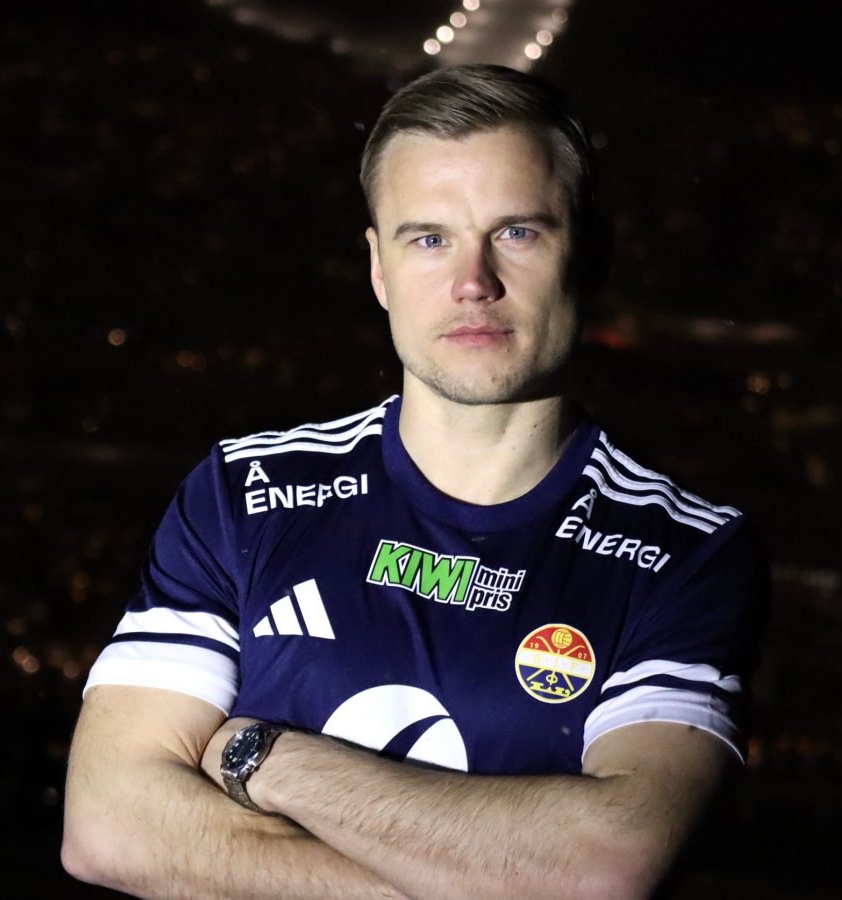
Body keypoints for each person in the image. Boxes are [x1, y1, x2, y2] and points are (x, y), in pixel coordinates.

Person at [61, 63, 770, 899]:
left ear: (591, 252)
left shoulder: (684, 553)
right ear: (378, 268)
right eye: (429, 239)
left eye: (517, 232)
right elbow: (107, 825)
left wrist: (267, 760)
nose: (473, 282)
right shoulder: (243, 494)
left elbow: (602, 869)